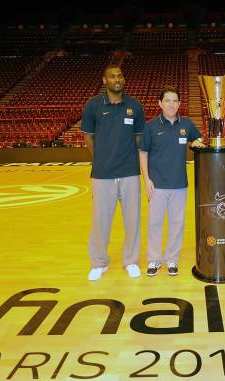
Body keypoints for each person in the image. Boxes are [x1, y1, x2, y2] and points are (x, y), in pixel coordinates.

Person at [81, 65, 145, 281]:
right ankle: (99, 263)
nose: (117, 79)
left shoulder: (134, 106)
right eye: (112, 76)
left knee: (132, 220)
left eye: (119, 76)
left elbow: (138, 138)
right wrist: (101, 158)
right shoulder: (93, 105)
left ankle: (131, 261)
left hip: (130, 172)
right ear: (104, 80)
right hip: (102, 174)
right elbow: (88, 138)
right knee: (101, 220)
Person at [139, 85, 206, 276]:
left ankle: (172, 260)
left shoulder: (186, 124)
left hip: (179, 184)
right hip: (156, 185)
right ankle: (153, 259)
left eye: (175, 100)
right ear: (160, 103)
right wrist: (146, 179)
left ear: (179, 103)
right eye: (167, 100)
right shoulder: (151, 126)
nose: (171, 104)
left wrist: (195, 142)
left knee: (177, 223)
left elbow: (198, 139)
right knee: (155, 223)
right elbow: (143, 153)